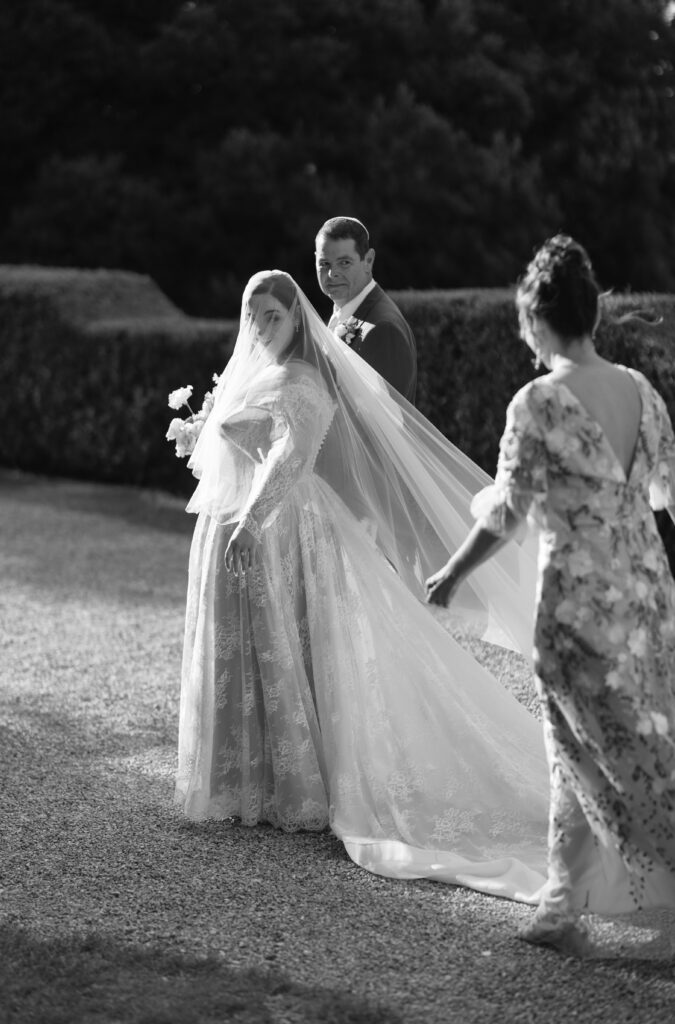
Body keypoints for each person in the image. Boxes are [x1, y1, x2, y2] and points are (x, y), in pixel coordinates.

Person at [174, 268, 550, 904]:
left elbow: (292, 456)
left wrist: (253, 521)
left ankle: (290, 782)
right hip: (240, 520)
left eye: (274, 316)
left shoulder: (305, 379)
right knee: (244, 645)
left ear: (297, 321)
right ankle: (243, 777)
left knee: (282, 642)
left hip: (278, 524)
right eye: (254, 316)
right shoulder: (256, 372)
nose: (262, 328)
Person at [427, 235, 675, 955]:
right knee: (641, 736)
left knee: (579, 745)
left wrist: (450, 574)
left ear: (535, 318)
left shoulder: (536, 401)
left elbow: (506, 511)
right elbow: (666, 493)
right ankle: (562, 899)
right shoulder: (640, 390)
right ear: (592, 313)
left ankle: (566, 900)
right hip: (645, 593)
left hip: (575, 601)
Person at [315, 216, 417, 402]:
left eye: (344, 262)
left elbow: (386, 424)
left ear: (368, 261)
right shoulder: (345, 313)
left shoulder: (384, 329)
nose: (332, 273)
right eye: (324, 263)